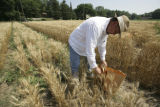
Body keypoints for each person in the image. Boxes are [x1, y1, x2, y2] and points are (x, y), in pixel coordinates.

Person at [68, 15, 129, 80]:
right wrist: (95, 67)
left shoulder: (107, 28)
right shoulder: (96, 26)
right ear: (115, 23)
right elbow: (90, 48)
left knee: (89, 66)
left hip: (85, 45)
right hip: (76, 43)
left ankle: (89, 78)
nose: (114, 34)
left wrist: (103, 59)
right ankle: (74, 82)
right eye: (116, 31)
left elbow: (102, 45)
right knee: (75, 66)